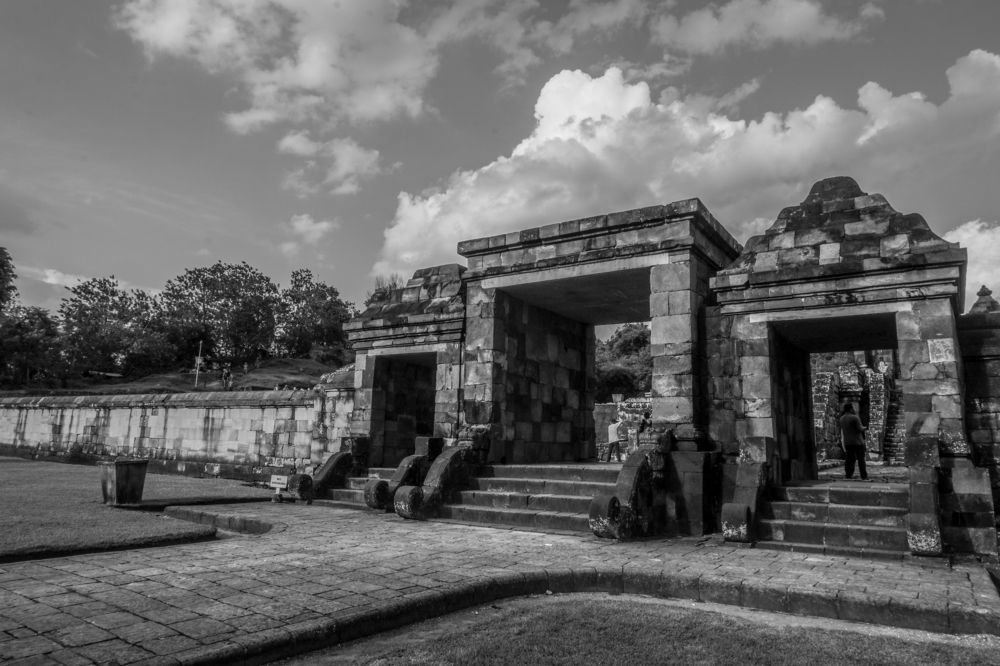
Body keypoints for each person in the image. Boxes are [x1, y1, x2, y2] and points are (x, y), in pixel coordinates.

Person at [839, 402, 868, 480]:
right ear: (850, 409)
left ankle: (848, 475)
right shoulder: (854, 417)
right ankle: (864, 476)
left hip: (848, 442)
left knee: (849, 460)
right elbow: (860, 428)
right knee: (861, 460)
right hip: (858, 442)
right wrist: (866, 427)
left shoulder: (841, 418)